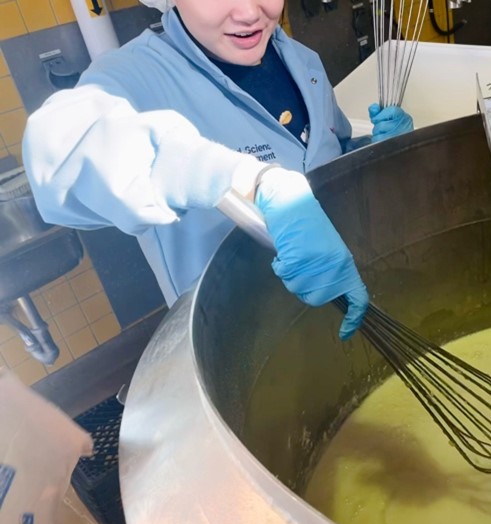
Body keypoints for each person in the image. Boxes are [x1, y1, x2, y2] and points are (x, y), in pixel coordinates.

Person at [22, 0, 414, 340]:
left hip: (345, 297)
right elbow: (55, 158)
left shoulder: (302, 61)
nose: (248, 13)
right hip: (242, 339)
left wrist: (373, 151)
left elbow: (329, 153)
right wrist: (245, 179)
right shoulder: (133, 78)